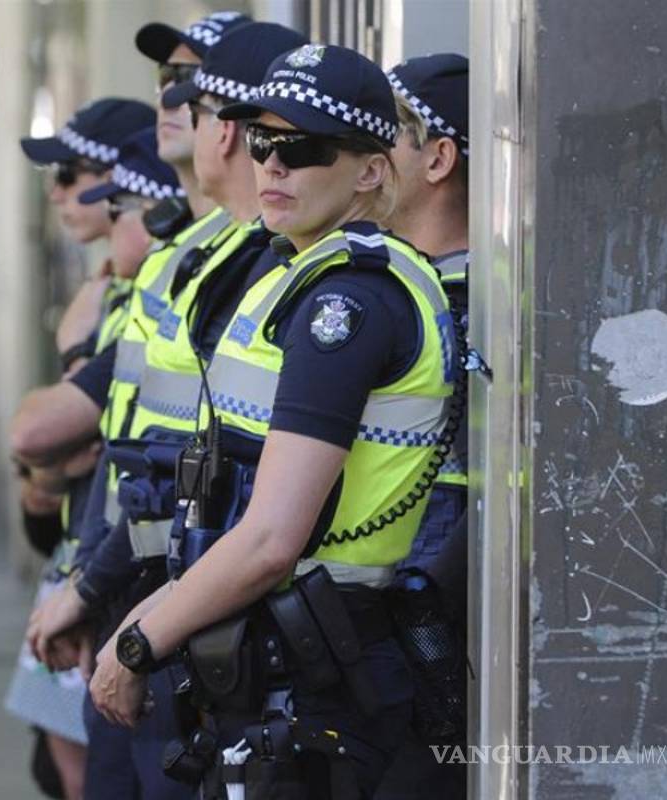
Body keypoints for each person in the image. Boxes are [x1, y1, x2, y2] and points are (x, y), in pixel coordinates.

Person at [87, 43, 457, 799]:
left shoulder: (346, 302)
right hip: (286, 668)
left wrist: (136, 644)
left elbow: (268, 540)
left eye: (304, 146)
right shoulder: (305, 268)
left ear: (371, 170)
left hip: (318, 679)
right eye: (262, 142)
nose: (274, 166)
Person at [6, 97, 156, 798]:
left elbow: (42, 436)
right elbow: (46, 457)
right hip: (83, 558)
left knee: (85, 767)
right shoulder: (105, 289)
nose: (61, 192)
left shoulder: (132, 298)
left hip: (112, 571)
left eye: (75, 174)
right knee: (63, 755)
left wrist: (73, 356)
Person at [375, 53, 471, 800]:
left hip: (429, 624)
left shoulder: (485, 301)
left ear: (439, 157)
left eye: (388, 136)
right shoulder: (393, 282)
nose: (367, 158)